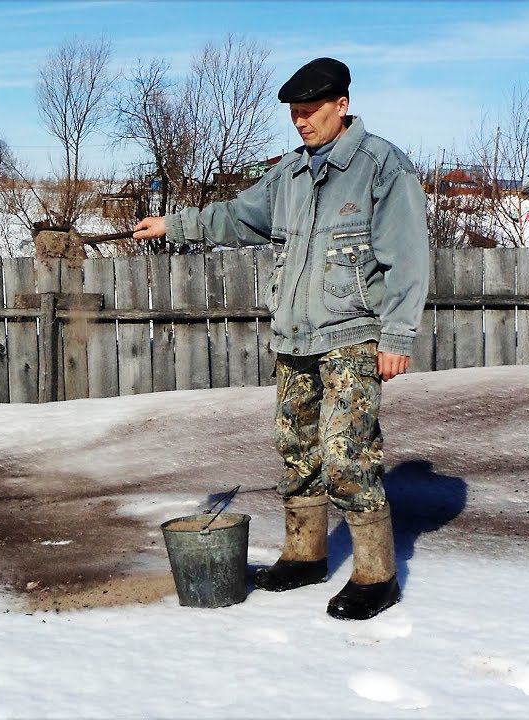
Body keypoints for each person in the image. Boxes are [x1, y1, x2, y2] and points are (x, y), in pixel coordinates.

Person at [133, 57, 428, 621]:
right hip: (294, 337)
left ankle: (376, 574)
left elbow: (408, 258)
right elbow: (240, 217)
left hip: (352, 336)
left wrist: (398, 336)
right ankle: (304, 554)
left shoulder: (382, 168)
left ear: (341, 105)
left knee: (347, 454)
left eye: (311, 110)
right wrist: (177, 224)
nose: (301, 121)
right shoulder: (289, 175)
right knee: (296, 447)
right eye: (294, 113)